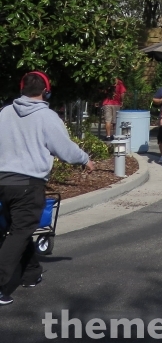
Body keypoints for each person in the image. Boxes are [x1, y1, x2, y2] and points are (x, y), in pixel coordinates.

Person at [0, 72, 94, 304]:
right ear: (46, 91)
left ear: (21, 89)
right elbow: (64, 148)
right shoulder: (47, 116)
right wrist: (85, 159)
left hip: (3, 181)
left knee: (17, 228)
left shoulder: (4, 113)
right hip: (28, 184)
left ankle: (31, 274)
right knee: (20, 232)